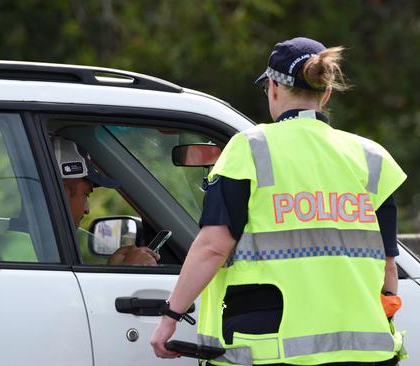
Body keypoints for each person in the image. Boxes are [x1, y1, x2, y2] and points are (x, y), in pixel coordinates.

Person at [150, 37, 407, 365]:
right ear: (326, 93)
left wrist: (170, 315)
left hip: (271, 349)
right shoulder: (371, 157)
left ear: (272, 87)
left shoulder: (251, 149)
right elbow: (387, 265)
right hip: (364, 352)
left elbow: (213, 246)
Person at [0, 137, 159, 265]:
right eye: (86, 194)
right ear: (60, 192)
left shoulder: (38, 247)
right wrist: (126, 274)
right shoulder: (20, 254)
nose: (87, 209)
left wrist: (113, 268)